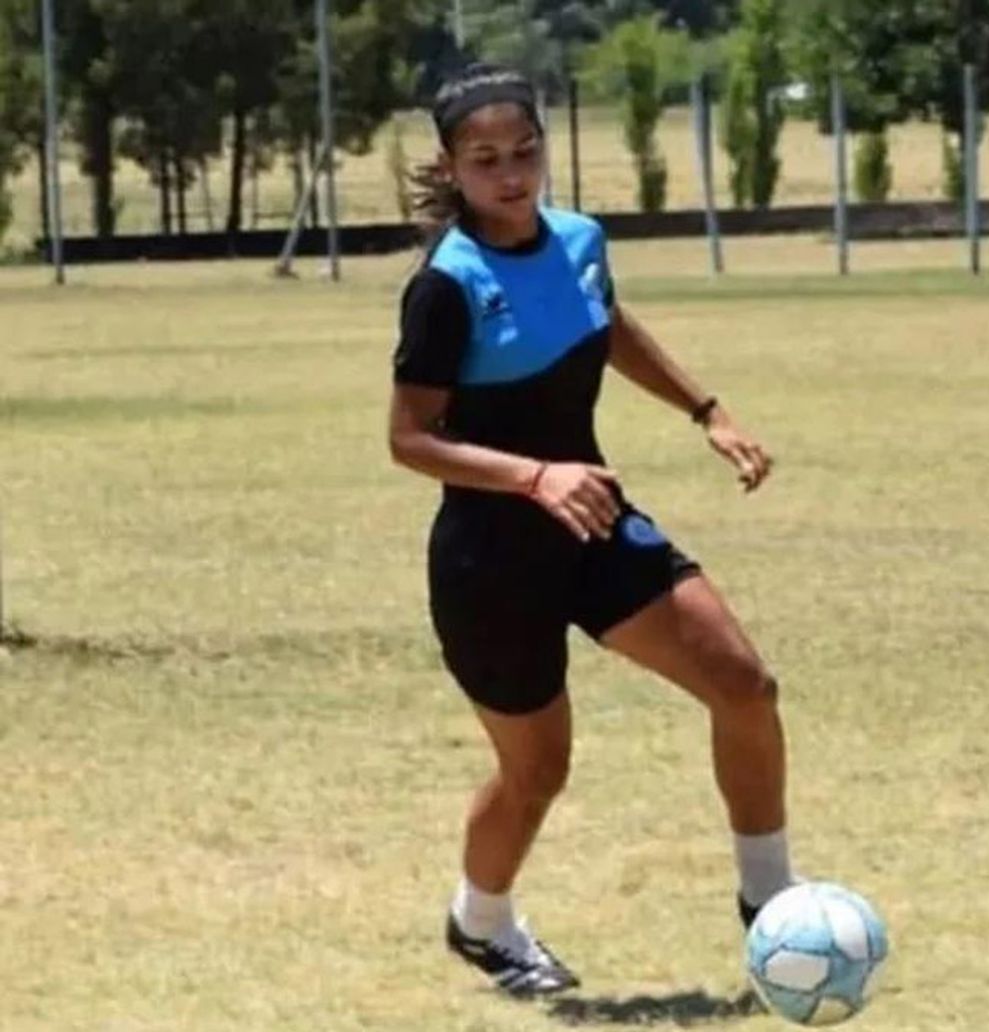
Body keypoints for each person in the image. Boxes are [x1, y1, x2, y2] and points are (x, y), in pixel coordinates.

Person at [388, 63, 793, 998]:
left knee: (745, 686)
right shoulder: (447, 285)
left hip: (595, 527)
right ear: (451, 167)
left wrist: (706, 410)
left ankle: (771, 901)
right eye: (485, 159)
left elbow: (603, 325)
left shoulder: (579, 240)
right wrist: (535, 476)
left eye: (524, 151)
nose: (510, 174)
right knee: (536, 773)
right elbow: (409, 439)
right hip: (491, 564)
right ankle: (480, 923)